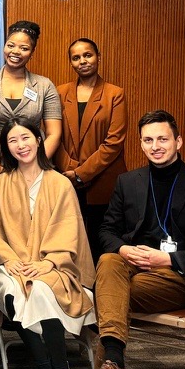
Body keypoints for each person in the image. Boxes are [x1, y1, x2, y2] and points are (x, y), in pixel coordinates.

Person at [75, 110, 185, 369]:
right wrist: (122, 248)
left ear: (178, 141)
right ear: (141, 145)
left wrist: (169, 260)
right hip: (128, 270)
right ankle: (113, 368)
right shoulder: (128, 181)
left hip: (178, 278)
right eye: (148, 140)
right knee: (108, 259)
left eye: (163, 139)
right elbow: (105, 231)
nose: (156, 146)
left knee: (104, 301)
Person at [0, 119, 95, 369]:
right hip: (12, 264)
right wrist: (10, 260)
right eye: (13, 141)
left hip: (55, 263)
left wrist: (47, 262)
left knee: (42, 293)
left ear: (38, 140)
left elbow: (69, 229)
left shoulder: (60, 183)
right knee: (14, 294)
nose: (21, 145)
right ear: (6, 147)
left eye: (26, 138)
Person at [54, 38, 127, 262]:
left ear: (98, 57)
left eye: (88, 55)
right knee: (67, 246)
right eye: (76, 58)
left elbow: (113, 142)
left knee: (99, 247)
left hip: (102, 182)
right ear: (71, 63)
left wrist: (80, 174)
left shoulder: (115, 94)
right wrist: (71, 171)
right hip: (66, 181)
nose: (82, 61)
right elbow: (52, 136)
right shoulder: (59, 92)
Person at [0, 20, 62, 182]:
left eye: (24, 48)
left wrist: (35, 164)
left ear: (32, 53)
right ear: (4, 46)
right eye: (11, 45)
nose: (16, 51)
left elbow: (54, 133)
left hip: (33, 169)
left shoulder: (44, 85)